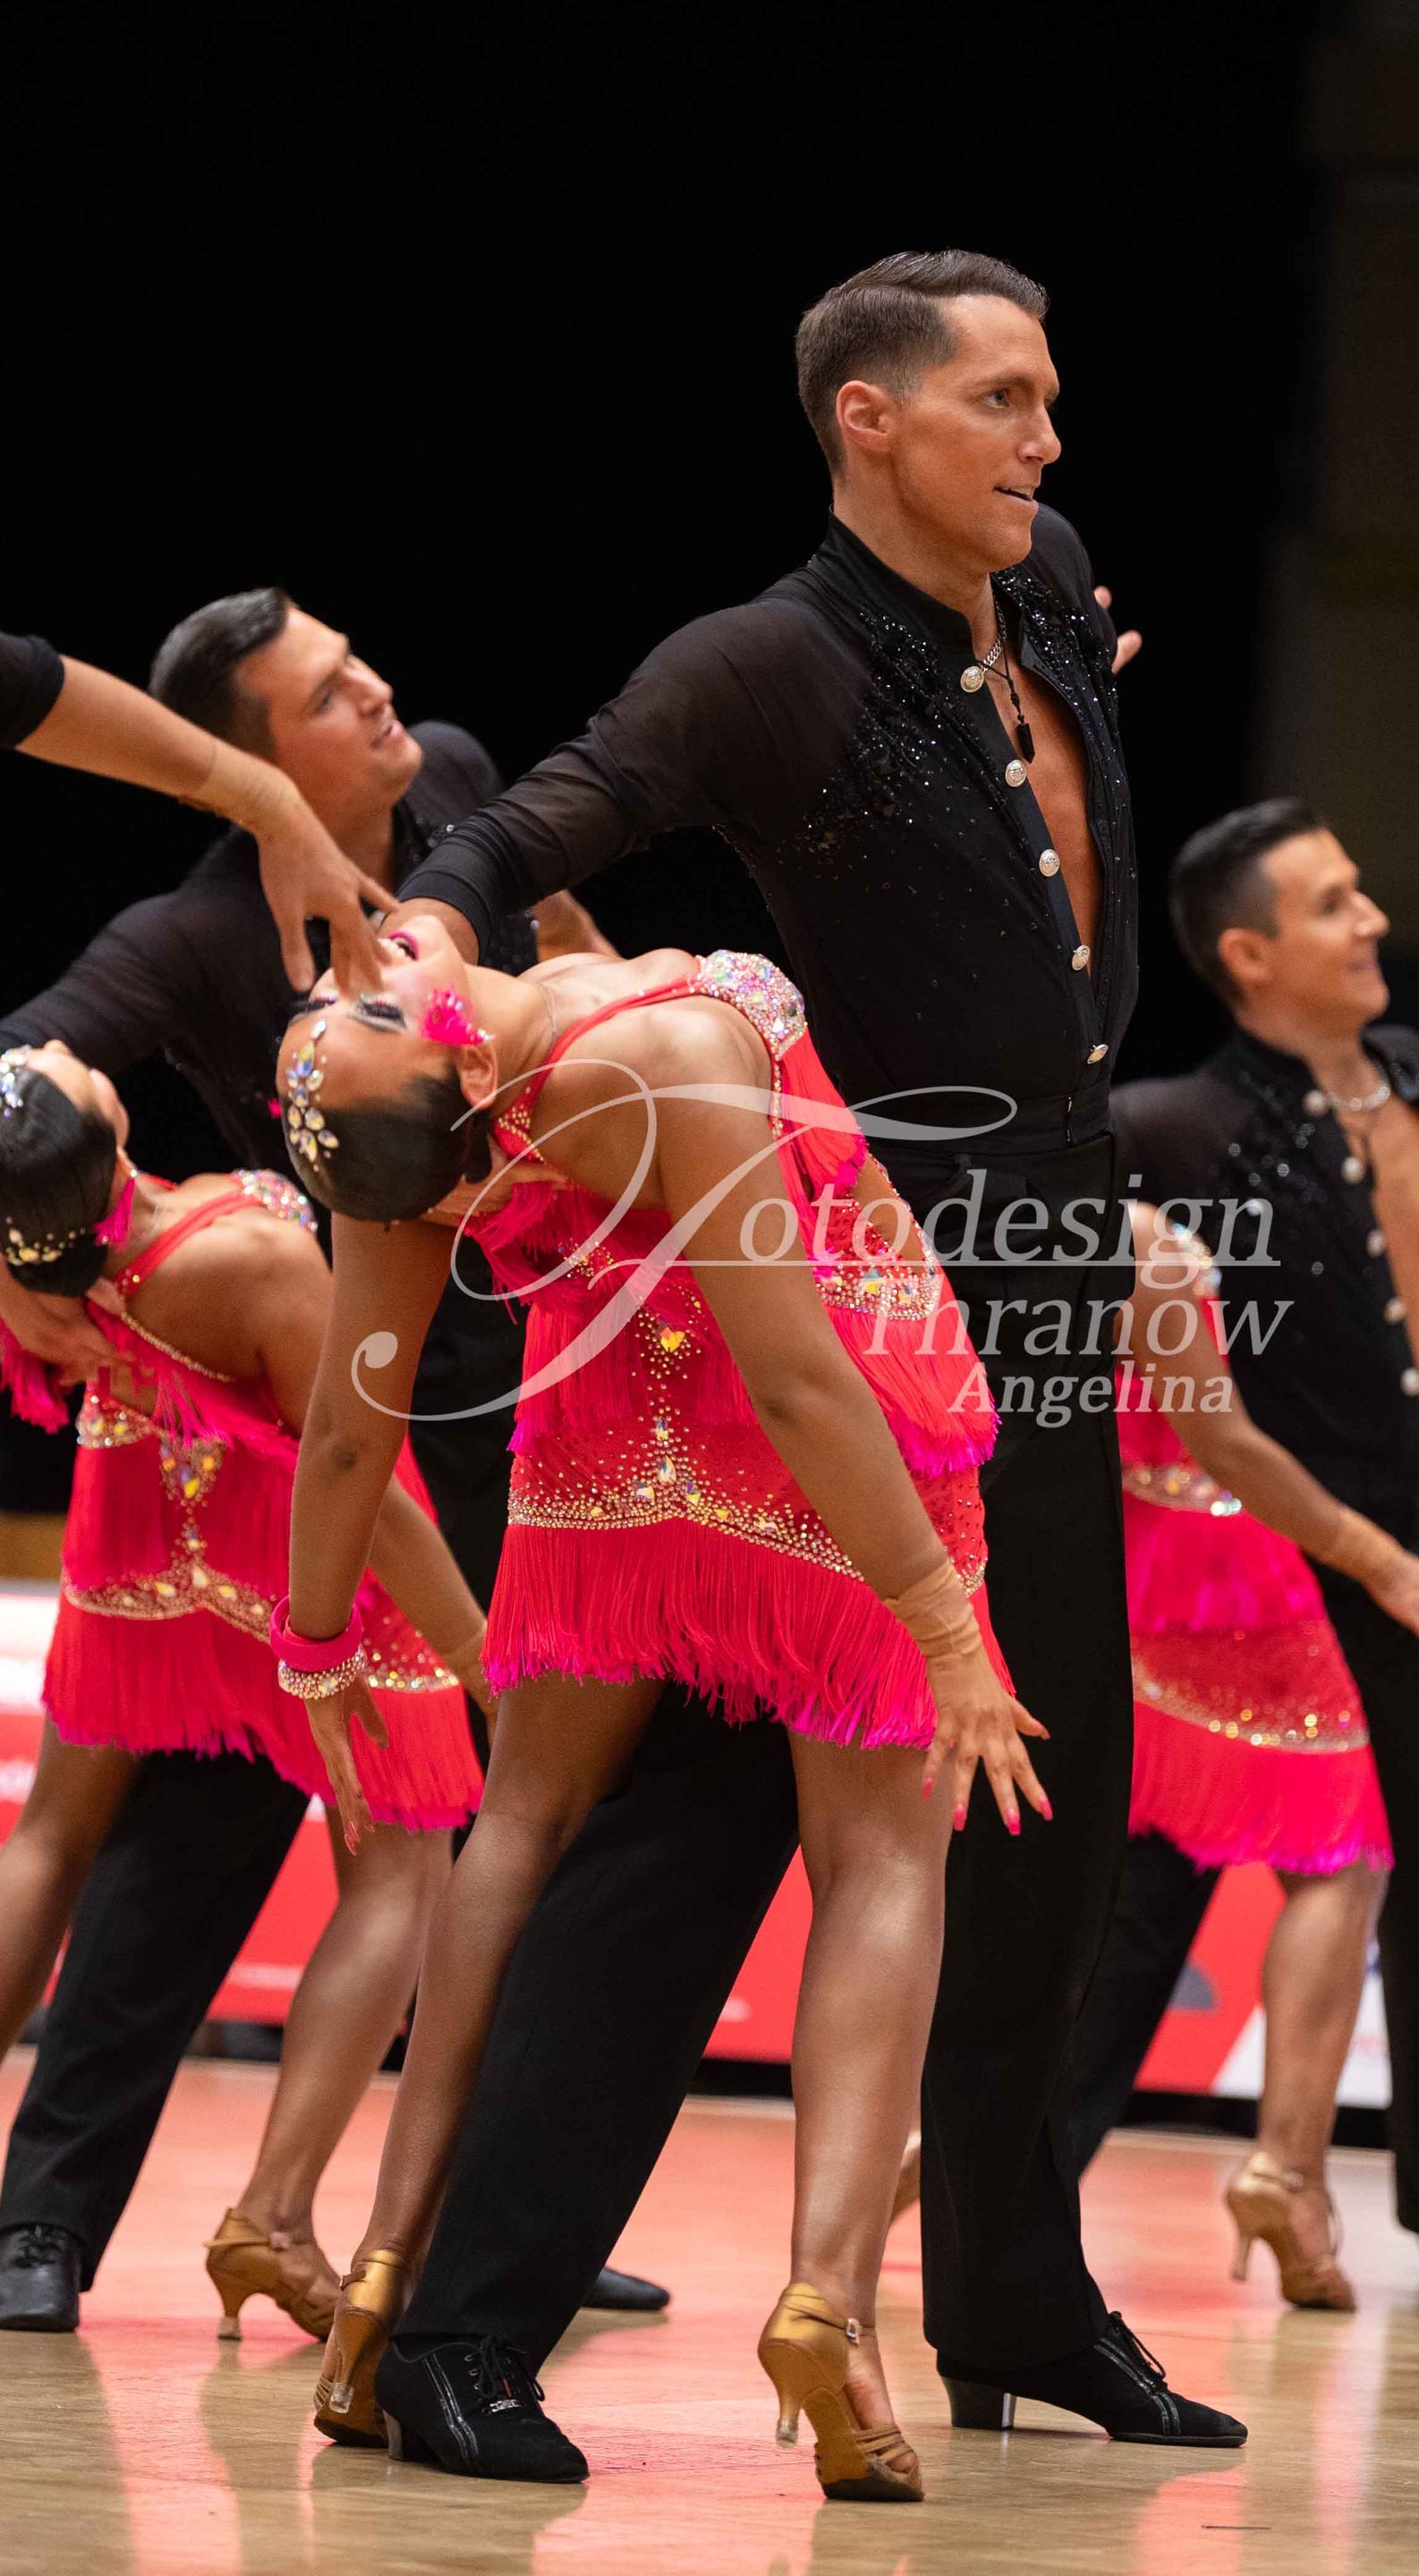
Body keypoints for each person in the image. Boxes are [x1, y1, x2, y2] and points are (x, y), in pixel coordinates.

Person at [365, 248, 1243, 2454]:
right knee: (704, 1813)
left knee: (1052, 1794)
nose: (1046, 438)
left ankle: (1012, 2300)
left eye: (1050, 398)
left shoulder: (1050, 582)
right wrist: (416, 966)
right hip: (864, 1250)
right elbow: (530, 823)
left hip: (1048, 1233)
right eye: (1003, 399)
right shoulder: (762, 660)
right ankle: (467, 2326)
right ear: (869, 416)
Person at [269, 928, 1058, 2493]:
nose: (363, 959)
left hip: (603, 1456)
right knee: (881, 1863)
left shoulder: (391, 1145)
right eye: (358, 997)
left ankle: (383, 2270)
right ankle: (832, 2303)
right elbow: (798, 1379)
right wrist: (945, 1627)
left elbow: (356, 1420)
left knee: (518, 1824)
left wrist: (315, 1645)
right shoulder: (667, 1054)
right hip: (821, 1451)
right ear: (460, 1060)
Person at [0, 593, 663, 2320]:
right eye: (326, 689)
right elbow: (22, 1076)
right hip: (337, 1399)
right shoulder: (191, 933)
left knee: (535, 1822)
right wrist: (25, 1269)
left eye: (360, 660)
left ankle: (503, 2214)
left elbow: (570, 932)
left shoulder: (456, 783)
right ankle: (46, 2225)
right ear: (246, 760)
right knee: (204, 1831)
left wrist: (616, 1009)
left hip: (552, 1381)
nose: (376, 690)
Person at [1112, 800, 1419, 2283]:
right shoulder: (1174, 1129)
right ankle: (1014, 2170)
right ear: (1250, 955)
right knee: (1158, 1885)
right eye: (1333, 903)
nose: (1374, 918)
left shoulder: (1412, 1070)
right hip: (1278, 1554)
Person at [0, 1040, 483, 2336]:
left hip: (140, 1519)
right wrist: (476, 1651)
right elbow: (352, 1465)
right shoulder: (248, 1256)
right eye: (55, 1070)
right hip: (300, 1552)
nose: (56, 1048)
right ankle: (273, 2213)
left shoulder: (44, 1261)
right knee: (401, 1865)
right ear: (103, 1133)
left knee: (52, 1835)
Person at [1066, 1206, 1419, 2306]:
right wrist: (1383, 1560)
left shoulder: (1000, 1215)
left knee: (1135, 1875)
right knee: (1342, 1849)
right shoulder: (1139, 1233)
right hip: (1220, 1569)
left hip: (1119, 1556)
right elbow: (1227, 1442)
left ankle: (974, 2146)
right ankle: (1286, 2171)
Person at [1, 626, 388, 988]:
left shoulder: (426, 759)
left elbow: (31, 688)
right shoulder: (191, 934)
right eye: (325, 699)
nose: (380, 692)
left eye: (350, 658)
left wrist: (270, 802)